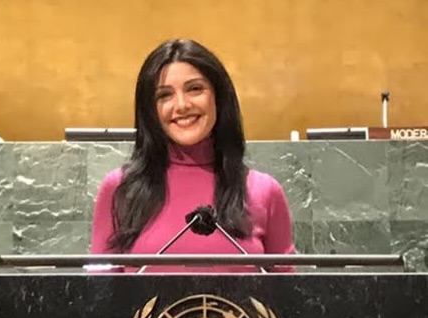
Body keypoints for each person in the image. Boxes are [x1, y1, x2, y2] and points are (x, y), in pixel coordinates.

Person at [91, 39, 295, 272]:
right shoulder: (119, 189)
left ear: (218, 97)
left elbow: (287, 300)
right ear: (150, 111)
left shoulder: (265, 191)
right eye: (164, 95)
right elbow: (101, 297)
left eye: (195, 89)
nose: (181, 105)